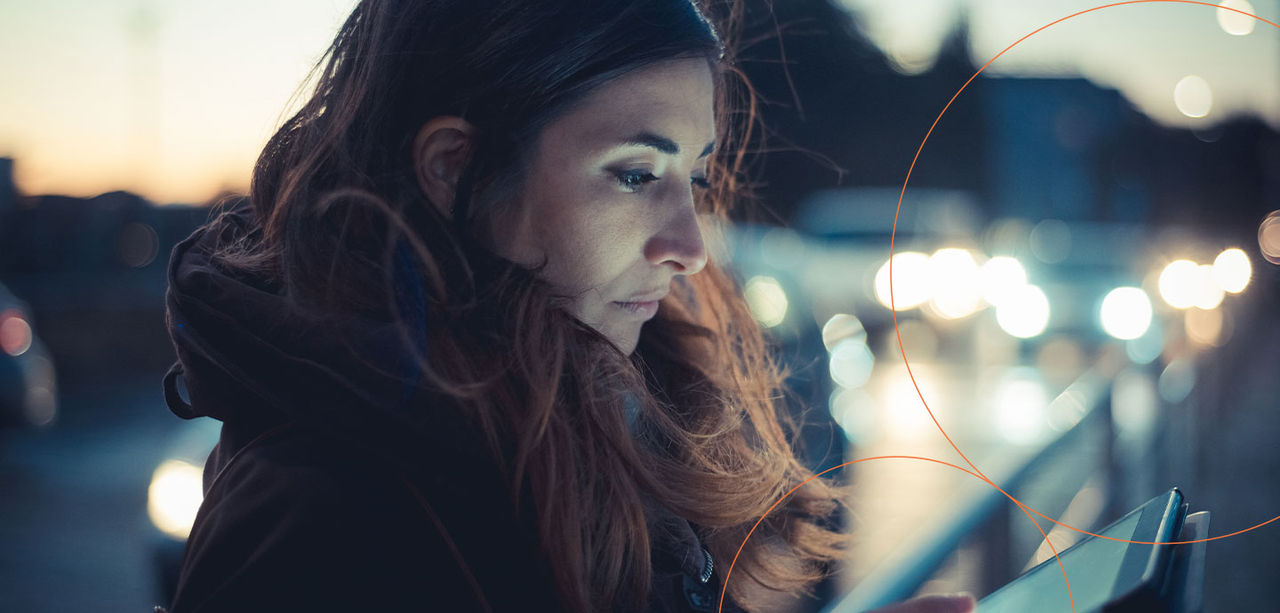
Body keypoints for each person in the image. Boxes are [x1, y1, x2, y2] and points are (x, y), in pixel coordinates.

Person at [158, 1, 976, 611]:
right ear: (454, 167)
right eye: (635, 174)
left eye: (693, 178)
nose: (690, 245)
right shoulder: (317, 509)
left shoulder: (615, 408)